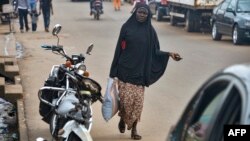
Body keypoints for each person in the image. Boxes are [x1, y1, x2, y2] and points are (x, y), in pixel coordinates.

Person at [109, 3, 182, 140]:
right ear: (135, 12)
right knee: (125, 101)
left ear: (148, 15)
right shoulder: (126, 27)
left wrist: (169, 54)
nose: (142, 15)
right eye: (140, 12)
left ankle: (134, 129)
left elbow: (155, 51)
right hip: (125, 70)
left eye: (145, 14)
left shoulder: (150, 31)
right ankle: (123, 119)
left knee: (137, 102)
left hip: (140, 72)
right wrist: (113, 71)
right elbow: (119, 49)